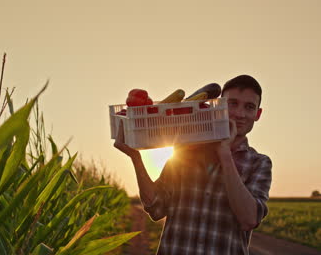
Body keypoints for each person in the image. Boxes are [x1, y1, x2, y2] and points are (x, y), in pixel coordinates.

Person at [114, 75, 272, 254]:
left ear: (257, 114)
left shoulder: (259, 163)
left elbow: (249, 219)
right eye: (232, 103)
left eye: (249, 107)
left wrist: (224, 153)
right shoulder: (187, 151)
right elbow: (156, 207)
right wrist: (136, 158)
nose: (240, 114)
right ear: (218, 105)